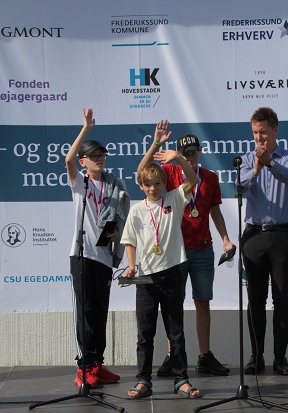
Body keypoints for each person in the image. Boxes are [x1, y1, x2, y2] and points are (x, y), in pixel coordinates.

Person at [137, 123, 234, 376]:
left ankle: (205, 355)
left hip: (202, 249)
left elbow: (215, 211)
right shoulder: (168, 172)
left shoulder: (210, 177)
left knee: (203, 302)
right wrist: (157, 144)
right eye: (184, 153)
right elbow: (141, 173)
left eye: (193, 153)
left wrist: (225, 238)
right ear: (176, 154)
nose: (190, 158)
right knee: (173, 306)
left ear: (200, 152)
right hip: (175, 251)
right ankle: (174, 356)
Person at [120, 120, 201, 399]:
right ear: (141, 186)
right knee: (145, 335)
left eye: (157, 184)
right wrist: (131, 266)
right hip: (145, 278)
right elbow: (129, 240)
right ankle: (143, 380)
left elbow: (193, 180)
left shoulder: (174, 199)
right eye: (149, 185)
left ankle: (182, 380)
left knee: (175, 333)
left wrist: (177, 157)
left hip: (173, 273)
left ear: (164, 183)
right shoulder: (137, 210)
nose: (153, 188)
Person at [65, 108, 130, 388]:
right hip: (82, 255)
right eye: (94, 156)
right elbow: (68, 159)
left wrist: (116, 231)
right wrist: (85, 131)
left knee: (101, 312)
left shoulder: (114, 185)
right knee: (86, 312)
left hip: (104, 256)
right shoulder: (80, 183)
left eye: (102, 156)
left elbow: (119, 219)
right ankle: (84, 366)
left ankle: (97, 364)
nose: (100, 160)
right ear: (84, 162)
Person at [239, 107, 288, 376]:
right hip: (253, 235)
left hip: (282, 236)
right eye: (255, 132)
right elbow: (240, 187)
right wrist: (255, 166)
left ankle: (280, 357)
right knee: (255, 298)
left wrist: (271, 163)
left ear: (276, 130)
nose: (259, 137)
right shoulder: (245, 158)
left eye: (263, 132)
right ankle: (256, 356)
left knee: (282, 296)